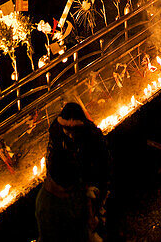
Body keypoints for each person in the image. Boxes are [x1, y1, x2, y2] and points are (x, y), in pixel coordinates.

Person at [35, 102, 109, 242]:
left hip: (87, 184)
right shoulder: (57, 137)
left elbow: (102, 164)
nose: (71, 134)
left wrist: (96, 188)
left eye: (74, 130)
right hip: (72, 190)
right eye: (67, 130)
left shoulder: (92, 136)